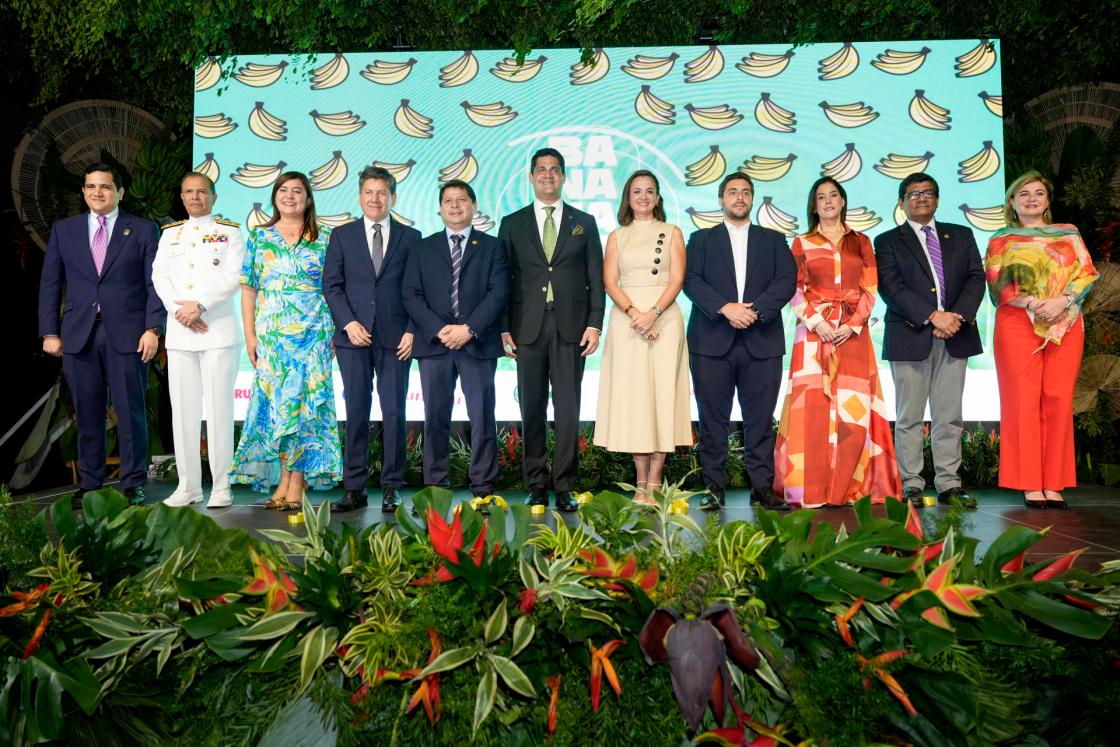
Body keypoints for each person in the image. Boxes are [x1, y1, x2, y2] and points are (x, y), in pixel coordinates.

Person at [38, 163, 163, 507]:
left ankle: (133, 482)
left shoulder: (141, 229)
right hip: (78, 334)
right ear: (83, 192)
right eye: (91, 187)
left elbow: (156, 283)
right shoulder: (65, 230)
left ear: (120, 192)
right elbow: (51, 283)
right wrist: (50, 331)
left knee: (130, 411)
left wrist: (153, 328)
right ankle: (89, 484)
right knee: (87, 413)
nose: (97, 192)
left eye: (105, 187)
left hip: (129, 333)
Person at [774, 177, 901, 507]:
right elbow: (794, 288)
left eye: (833, 195)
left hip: (853, 337)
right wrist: (817, 322)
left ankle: (847, 488)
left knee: (853, 412)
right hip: (813, 337)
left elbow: (870, 288)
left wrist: (853, 324)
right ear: (813, 205)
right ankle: (810, 490)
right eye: (821, 197)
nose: (828, 201)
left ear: (843, 201)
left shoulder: (861, 241)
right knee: (811, 412)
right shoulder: (801, 242)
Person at [499, 148, 604, 512]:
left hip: (571, 329)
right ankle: (536, 485)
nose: (547, 175)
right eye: (541, 170)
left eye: (554, 170)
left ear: (563, 177)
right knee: (531, 408)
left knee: (568, 410)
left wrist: (594, 324)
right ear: (531, 177)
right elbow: (504, 280)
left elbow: (596, 279)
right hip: (526, 327)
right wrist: (503, 328)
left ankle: (564, 486)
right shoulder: (512, 223)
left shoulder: (584, 222)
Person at [985, 171, 1098, 509]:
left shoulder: (1069, 233)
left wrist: (1063, 301)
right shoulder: (1000, 238)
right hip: (1018, 323)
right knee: (1023, 401)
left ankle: (1054, 482)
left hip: (1065, 320)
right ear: (1012, 202)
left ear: (1048, 201)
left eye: (1038, 193)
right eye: (1023, 194)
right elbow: (997, 284)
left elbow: (1087, 272)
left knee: (1058, 399)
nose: (1031, 198)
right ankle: (1029, 483)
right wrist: (1034, 303)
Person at [683, 173, 795, 511]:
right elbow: (690, 280)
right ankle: (713, 487)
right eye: (732, 192)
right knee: (711, 419)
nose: (739, 197)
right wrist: (725, 307)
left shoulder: (774, 240)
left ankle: (761, 487)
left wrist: (756, 311)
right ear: (721, 200)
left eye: (746, 192)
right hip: (712, 341)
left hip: (761, 339)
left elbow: (787, 280)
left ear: (752, 199)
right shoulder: (700, 239)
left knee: (760, 420)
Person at [875, 173, 986, 509]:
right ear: (901, 202)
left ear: (937, 199)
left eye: (928, 193)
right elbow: (891, 287)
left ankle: (949, 485)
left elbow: (975, 278)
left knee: (949, 415)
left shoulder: (962, 234)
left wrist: (956, 317)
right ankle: (911, 484)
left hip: (956, 335)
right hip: (911, 336)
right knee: (909, 416)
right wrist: (932, 316)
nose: (921, 198)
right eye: (913, 194)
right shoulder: (887, 240)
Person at [231, 171, 341, 509]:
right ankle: (283, 478)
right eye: (283, 190)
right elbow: (249, 288)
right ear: (275, 197)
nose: (290, 196)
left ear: (308, 199)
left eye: (297, 191)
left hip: (313, 333)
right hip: (273, 337)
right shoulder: (259, 237)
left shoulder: (326, 238)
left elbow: (336, 287)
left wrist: (336, 329)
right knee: (278, 407)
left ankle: (299, 481)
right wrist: (250, 335)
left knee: (306, 408)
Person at [403, 180, 508, 501]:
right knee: (435, 416)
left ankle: (483, 485)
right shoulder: (423, 247)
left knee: (482, 416)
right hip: (435, 346)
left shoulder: (492, 246)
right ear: (440, 208)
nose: (455, 205)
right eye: (448, 200)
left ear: (473, 206)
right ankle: (436, 484)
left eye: (461, 200)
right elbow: (411, 294)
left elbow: (499, 292)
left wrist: (469, 328)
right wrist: (439, 329)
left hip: (477, 344)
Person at [324, 166, 421, 513]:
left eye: (382, 193)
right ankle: (354, 487)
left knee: (395, 412)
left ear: (393, 197)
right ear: (360, 196)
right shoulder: (342, 235)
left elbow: (418, 290)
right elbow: (331, 286)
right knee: (356, 411)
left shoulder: (412, 238)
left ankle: (392, 486)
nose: (375, 199)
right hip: (354, 339)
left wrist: (412, 329)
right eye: (369, 192)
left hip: (397, 339)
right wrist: (348, 323)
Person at [594, 170, 691, 501]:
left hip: (665, 320)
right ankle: (640, 483)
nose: (643, 197)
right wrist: (637, 316)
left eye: (650, 191)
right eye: (637, 191)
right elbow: (610, 282)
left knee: (662, 398)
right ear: (628, 197)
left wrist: (654, 315)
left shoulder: (672, 232)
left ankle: (655, 481)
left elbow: (677, 280)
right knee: (637, 402)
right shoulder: (617, 237)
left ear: (658, 197)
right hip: (628, 323)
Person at [152, 172, 244, 508]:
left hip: (216, 330)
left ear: (214, 197)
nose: (195, 197)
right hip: (181, 331)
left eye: (202, 191)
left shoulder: (230, 232)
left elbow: (234, 276)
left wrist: (200, 306)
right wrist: (180, 312)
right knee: (183, 412)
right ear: (181, 195)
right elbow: (159, 276)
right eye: (189, 191)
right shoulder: (171, 234)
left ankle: (222, 485)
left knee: (220, 410)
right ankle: (188, 485)